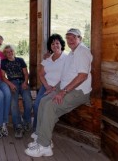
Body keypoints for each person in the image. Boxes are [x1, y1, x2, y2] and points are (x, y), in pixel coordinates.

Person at [25, 28, 92, 158]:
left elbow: (82, 76)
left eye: (74, 37)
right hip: (64, 87)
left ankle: (44, 146)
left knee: (51, 105)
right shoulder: (73, 53)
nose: (70, 40)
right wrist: (54, 88)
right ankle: (41, 138)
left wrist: (63, 92)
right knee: (43, 101)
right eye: (68, 37)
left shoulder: (82, 52)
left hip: (78, 91)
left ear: (80, 38)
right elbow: (65, 76)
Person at [32, 34, 67, 133]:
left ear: (61, 44)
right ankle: (36, 129)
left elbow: (67, 76)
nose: (55, 45)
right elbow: (41, 74)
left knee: (47, 106)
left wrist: (54, 88)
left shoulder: (67, 58)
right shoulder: (47, 59)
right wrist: (47, 86)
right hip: (46, 86)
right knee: (37, 105)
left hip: (60, 87)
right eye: (52, 43)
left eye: (57, 43)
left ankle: (43, 130)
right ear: (50, 46)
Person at [1, 45, 32, 139]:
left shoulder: (20, 60)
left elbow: (26, 73)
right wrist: (10, 84)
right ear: (5, 54)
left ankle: (26, 121)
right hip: (12, 83)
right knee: (13, 103)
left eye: (11, 51)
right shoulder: (4, 62)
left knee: (28, 100)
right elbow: (3, 77)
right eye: (7, 52)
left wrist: (25, 82)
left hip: (22, 82)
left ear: (14, 52)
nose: (9, 53)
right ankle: (18, 126)